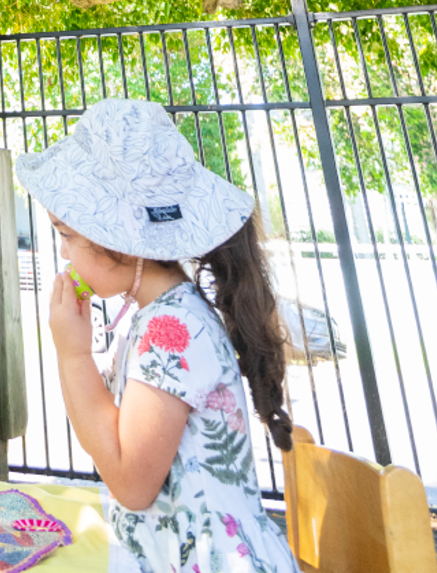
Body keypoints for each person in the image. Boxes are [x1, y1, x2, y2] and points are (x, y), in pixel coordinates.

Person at [15, 99, 300, 573]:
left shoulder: (171, 330)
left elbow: (131, 482)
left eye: (66, 235)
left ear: (119, 240)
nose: (64, 253)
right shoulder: (161, 317)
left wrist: (72, 355)